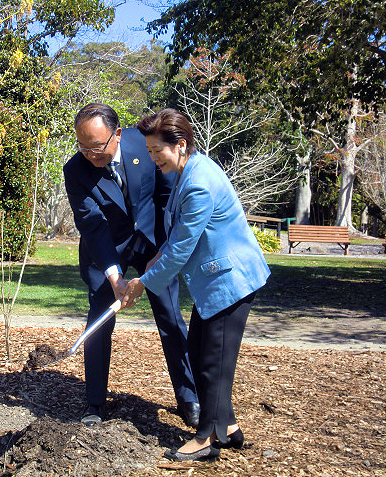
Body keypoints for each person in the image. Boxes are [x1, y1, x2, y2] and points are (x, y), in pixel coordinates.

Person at [122, 108, 270, 462]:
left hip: (231, 280)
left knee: (211, 362)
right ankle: (229, 427)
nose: (152, 157)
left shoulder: (198, 183)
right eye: (149, 150)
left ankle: (206, 439)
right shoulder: (190, 169)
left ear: (180, 145)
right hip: (217, 281)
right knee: (204, 354)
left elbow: (181, 251)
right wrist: (157, 255)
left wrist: (142, 283)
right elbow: (177, 238)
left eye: (157, 150)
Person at [63, 103, 199, 428]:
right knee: (99, 322)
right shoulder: (76, 172)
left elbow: (167, 198)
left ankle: (189, 398)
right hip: (107, 249)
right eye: (83, 147)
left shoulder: (145, 144)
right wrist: (113, 276)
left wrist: (163, 252)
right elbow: (92, 227)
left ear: (118, 134)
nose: (90, 154)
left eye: (97, 147)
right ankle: (94, 403)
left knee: (170, 318)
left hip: (153, 240)